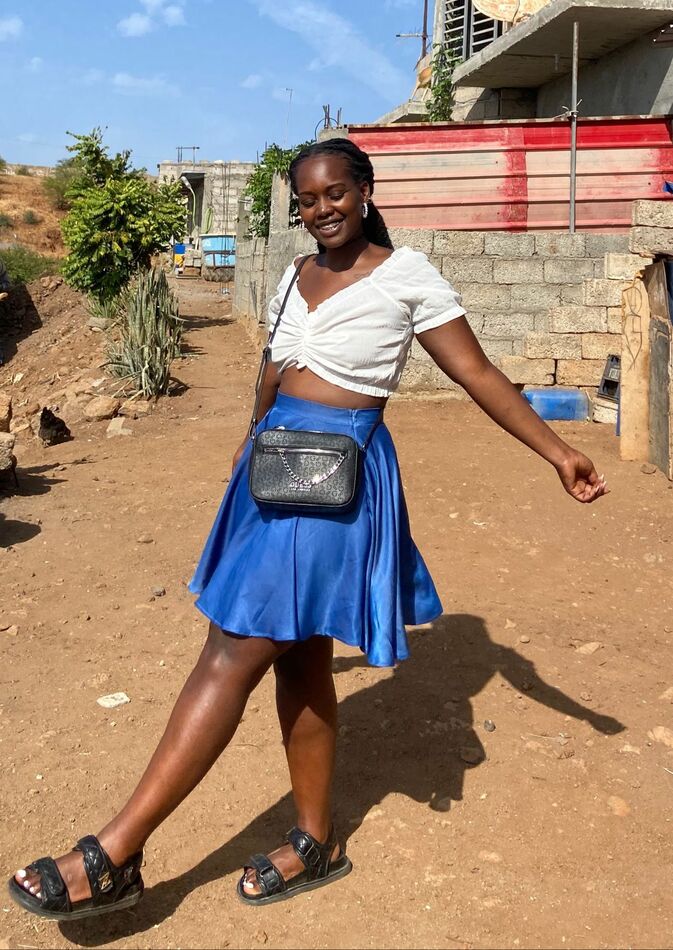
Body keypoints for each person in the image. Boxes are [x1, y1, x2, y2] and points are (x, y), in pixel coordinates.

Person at [8, 139, 608, 920]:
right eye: (307, 199)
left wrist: (557, 453)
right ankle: (316, 840)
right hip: (273, 467)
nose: (322, 209)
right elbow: (272, 365)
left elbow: (477, 373)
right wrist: (248, 434)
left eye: (335, 193)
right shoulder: (295, 274)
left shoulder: (406, 275)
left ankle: (116, 851)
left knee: (231, 649)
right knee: (300, 659)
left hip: (337, 476)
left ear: (364, 190)